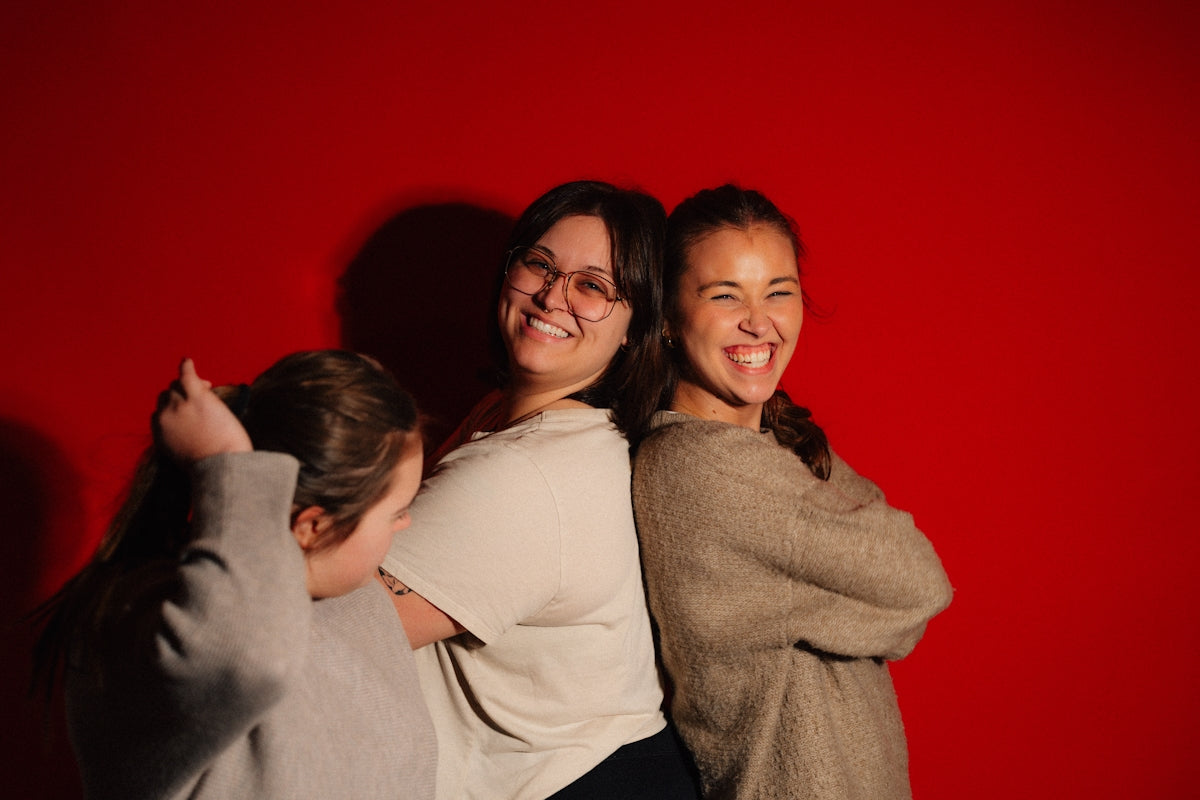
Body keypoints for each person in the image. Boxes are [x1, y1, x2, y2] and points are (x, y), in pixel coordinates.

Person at [376, 180, 700, 799]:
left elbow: (320, 628)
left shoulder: (525, 475)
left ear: (636, 325)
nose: (553, 296)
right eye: (539, 264)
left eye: (593, 286)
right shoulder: (512, 414)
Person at [628, 185, 953, 800]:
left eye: (780, 291)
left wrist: (850, 601)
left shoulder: (773, 442)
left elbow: (902, 580)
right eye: (725, 296)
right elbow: (918, 579)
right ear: (668, 317)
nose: (760, 321)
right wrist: (866, 607)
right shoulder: (702, 467)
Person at [31, 351, 437, 800]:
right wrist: (225, 460)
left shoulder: (360, 601)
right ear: (311, 526)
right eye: (397, 512)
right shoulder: (148, 617)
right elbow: (246, 659)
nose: (407, 524)